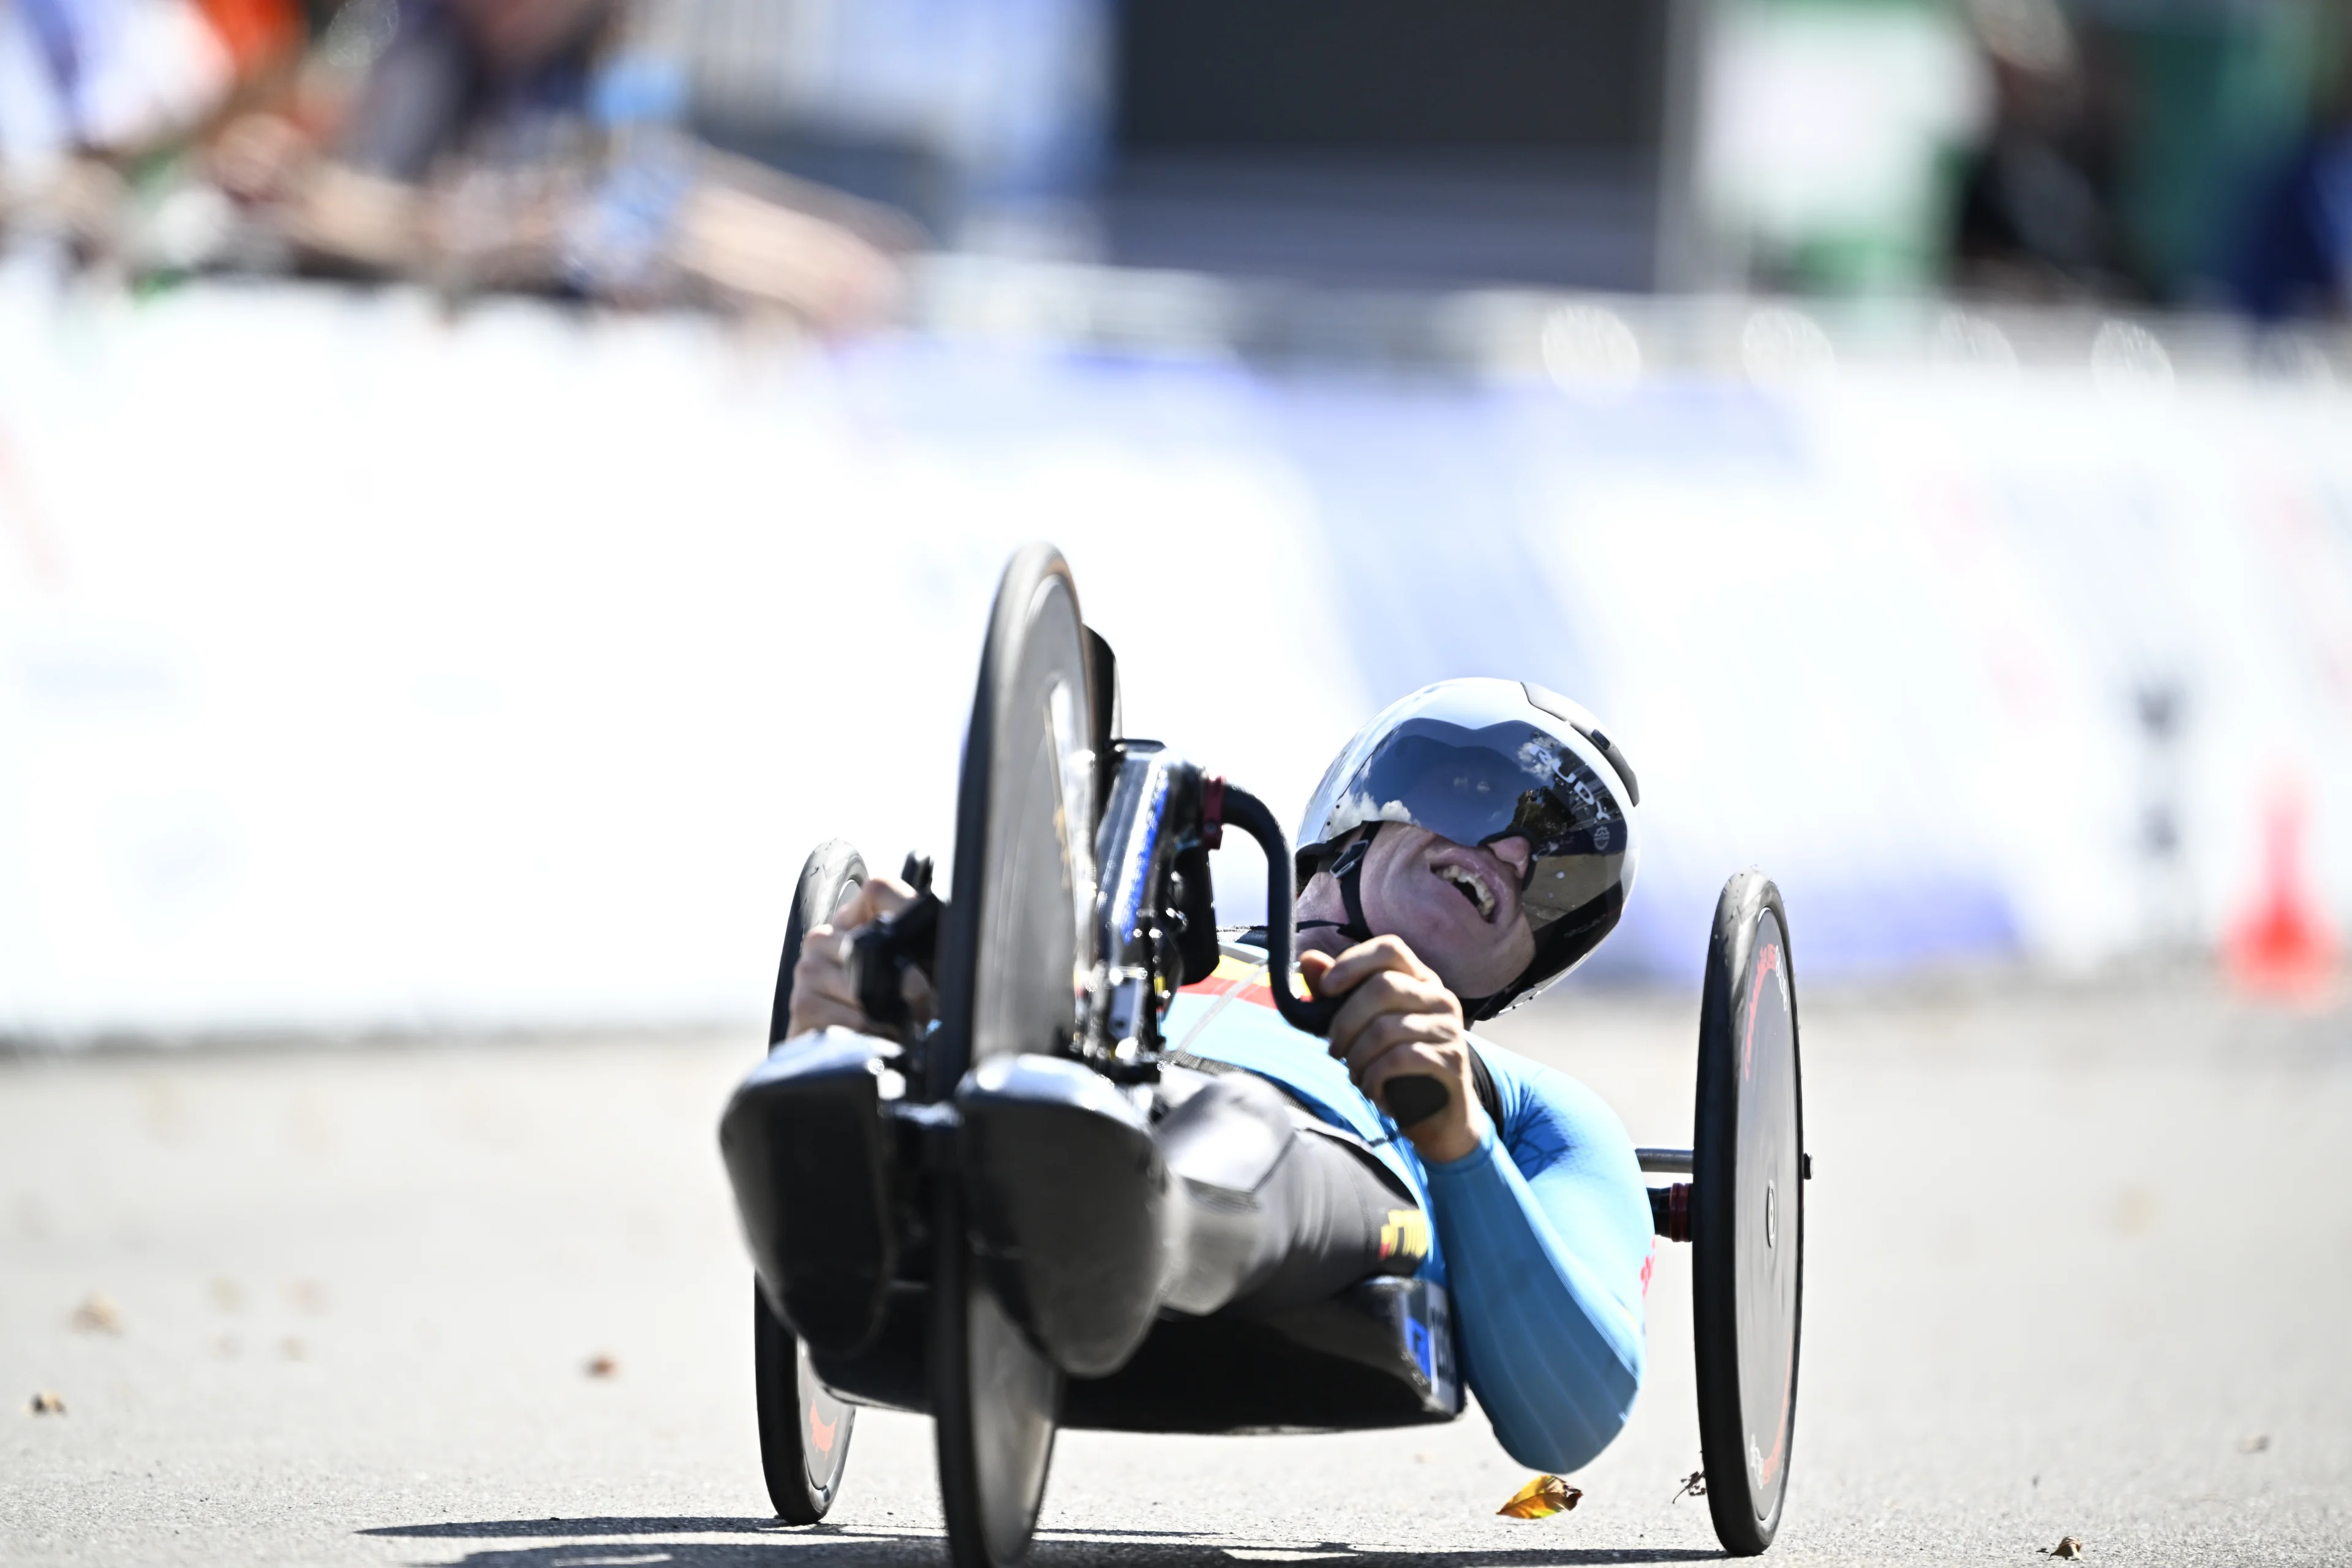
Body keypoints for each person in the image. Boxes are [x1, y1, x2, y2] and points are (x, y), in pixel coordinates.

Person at [766, 677, 1653, 1474]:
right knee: (906, 1012)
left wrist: (1455, 1136)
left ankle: (1107, 1214)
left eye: (1556, 878)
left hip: (1309, 1170)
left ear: (1528, 967)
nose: (1513, 857)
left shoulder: (1531, 1107)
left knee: (1238, 1123)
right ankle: (854, 1128)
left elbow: (1571, 1423)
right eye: (1478, 796)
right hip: (1055, 1098)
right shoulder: (1132, 947)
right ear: (1363, 812)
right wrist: (883, 992)